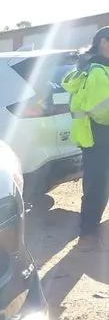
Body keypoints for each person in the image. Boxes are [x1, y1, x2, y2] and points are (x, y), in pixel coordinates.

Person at [62, 26, 109, 241]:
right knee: (98, 184)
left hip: (93, 135)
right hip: (99, 133)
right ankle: (88, 229)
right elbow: (100, 109)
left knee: (96, 182)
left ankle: (89, 225)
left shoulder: (93, 67)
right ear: (104, 42)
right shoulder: (98, 71)